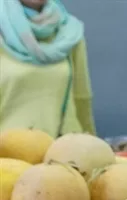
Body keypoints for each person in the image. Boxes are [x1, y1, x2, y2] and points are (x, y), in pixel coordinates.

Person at [0, 0, 95, 135]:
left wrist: (92, 145)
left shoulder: (69, 32)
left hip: (64, 150)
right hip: (7, 151)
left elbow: (81, 98)